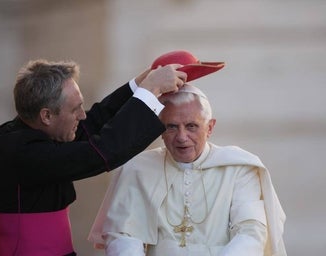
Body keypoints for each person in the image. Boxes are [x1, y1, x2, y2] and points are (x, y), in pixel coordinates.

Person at [0, 58, 189, 256]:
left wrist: (139, 85)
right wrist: (149, 93)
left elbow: (94, 122)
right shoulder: (20, 151)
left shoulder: (35, 129)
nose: (82, 115)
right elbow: (101, 151)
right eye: (75, 109)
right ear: (46, 116)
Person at [88, 83, 287, 256]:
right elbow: (123, 236)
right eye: (172, 127)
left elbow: (251, 233)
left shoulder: (239, 168)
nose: (182, 137)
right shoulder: (138, 170)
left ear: (210, 128)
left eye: (191, 126)